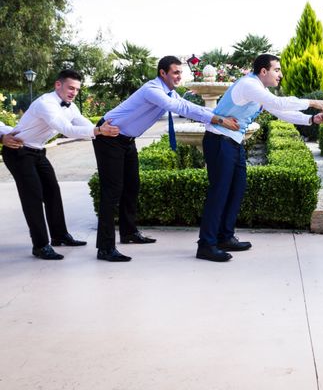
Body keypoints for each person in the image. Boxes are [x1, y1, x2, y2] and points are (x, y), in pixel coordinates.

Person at [93, 55, 240, 262]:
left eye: (181, 72)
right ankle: (105, 248)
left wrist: (221, 114)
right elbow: (181, 109)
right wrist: (218, 119)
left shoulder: (169, 92)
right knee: (112, 192)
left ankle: (128, 233)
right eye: (175, 72)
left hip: (126, 140)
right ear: (163, 73)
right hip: (109, 137)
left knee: (132, 186)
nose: (179, 76)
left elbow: (190, 106)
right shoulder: (152, 90)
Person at [197, 53, 323, 262]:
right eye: (277, 70)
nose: (280, 75)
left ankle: (225, 237)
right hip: (218, 140)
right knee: (219, 192)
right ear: (263, 71)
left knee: (237, 189)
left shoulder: (260, 90)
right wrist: (312, 102)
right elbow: (278, 103)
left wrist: (310, 119)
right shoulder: (249, 85)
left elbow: (279, 111)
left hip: (233, 142)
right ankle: (206, 245)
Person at [1, 69, 120, 260]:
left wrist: (104, 128)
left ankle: (59, 236)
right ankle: (40, 245)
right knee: (33, 196)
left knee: (52, 192)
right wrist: (98, 131)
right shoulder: (45, 103)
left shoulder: (70, 106)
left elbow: (83, 123)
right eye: (70, 88)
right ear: (58, 85)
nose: (74, 92)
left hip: (38, 152)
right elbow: (67, 129)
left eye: (77, 90)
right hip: (18, 151)